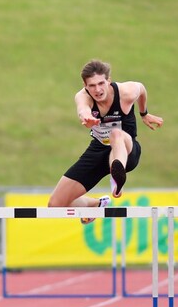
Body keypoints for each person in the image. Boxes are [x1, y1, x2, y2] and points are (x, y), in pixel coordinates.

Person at [48, 60, 163, 223]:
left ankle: (117, 177)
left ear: (109, 80)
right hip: (98, 151)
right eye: (92, 85)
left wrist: (144, 113)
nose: (98, 90)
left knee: (116, 134)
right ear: (85, 85)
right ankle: (94, 204)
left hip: (126, 150)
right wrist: (86, 117)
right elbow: (83, 108)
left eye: (101, 83)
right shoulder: (82, 96)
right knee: (55, 205)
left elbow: (142, 89)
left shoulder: (126, 92)